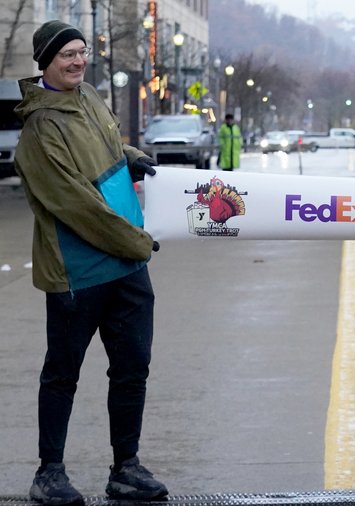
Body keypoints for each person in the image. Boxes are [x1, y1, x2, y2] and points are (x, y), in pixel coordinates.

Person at [13, 20, 168, 505]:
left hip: (126, 268)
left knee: (131, 368)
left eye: (81, 52)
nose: (77, 61)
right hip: (78, 272)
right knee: (63, 372)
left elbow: (101, 151)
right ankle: (49, 472)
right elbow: (74, 202)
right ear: (46, 63)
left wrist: (130, 156)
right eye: (66, 55)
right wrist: (136, 241)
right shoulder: (39, 128)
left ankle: (126, 467)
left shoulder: (91, 97)